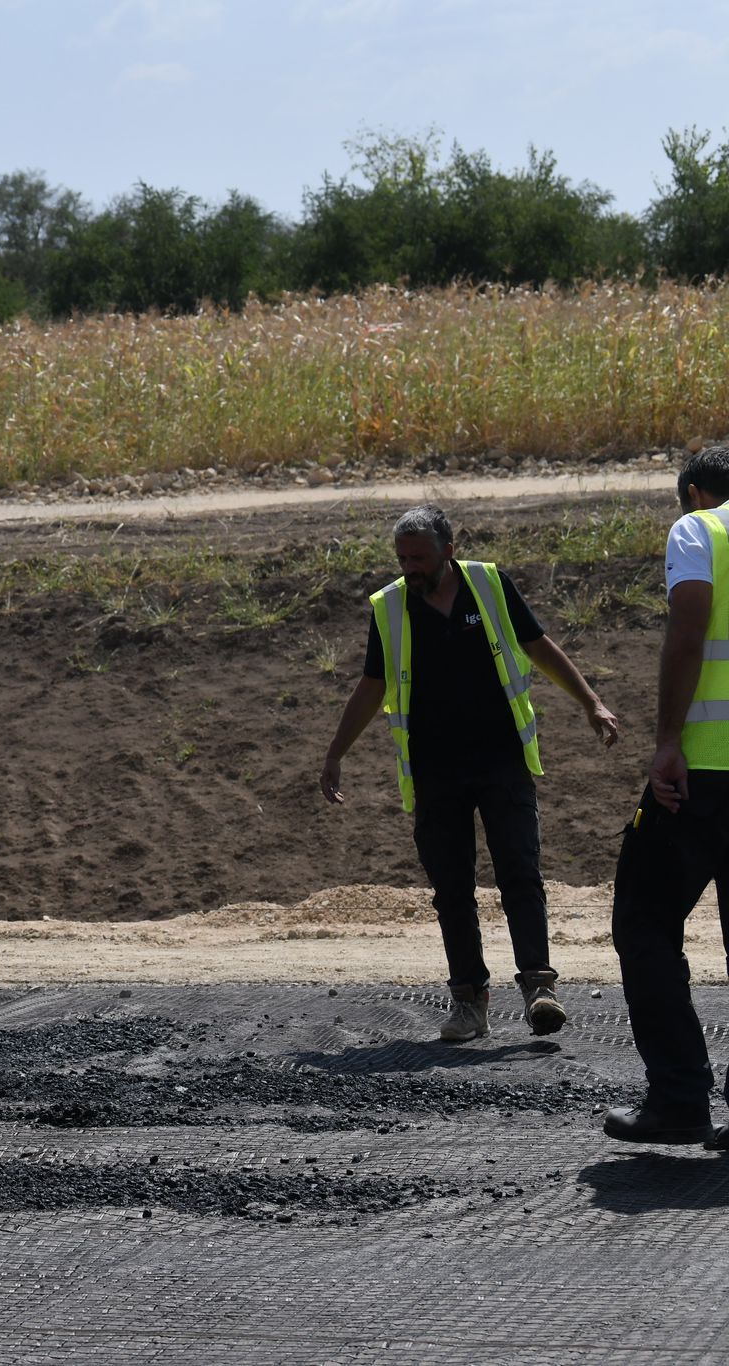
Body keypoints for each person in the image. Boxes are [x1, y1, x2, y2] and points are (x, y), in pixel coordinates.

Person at [319, 504, 618, 1042]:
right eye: (402, 558)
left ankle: (539, 987)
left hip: (502, 760)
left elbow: (537, 645)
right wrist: (336, 752)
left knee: (520, 874)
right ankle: (469, 1003)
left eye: (419, 557)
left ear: (448, 551)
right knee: (452, 890)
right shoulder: (390, 607)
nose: (409, 567)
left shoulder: (488, 584)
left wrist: (590, 702)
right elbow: (372, 684)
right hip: (435, 771)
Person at [605, 446, 729, 1144]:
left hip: (702, 776)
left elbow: (688, 632)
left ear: (695, 491)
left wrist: (666, 741)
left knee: (644, 924)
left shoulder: (699, 529)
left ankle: (680, 1098)